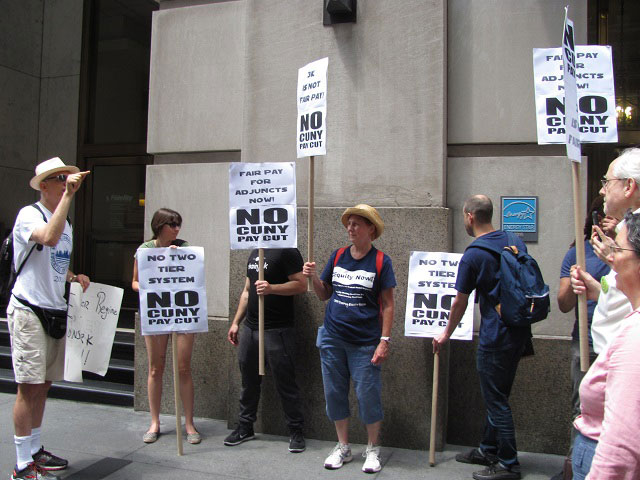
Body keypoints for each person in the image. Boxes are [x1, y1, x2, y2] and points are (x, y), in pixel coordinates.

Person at [433, 195, 531, 480]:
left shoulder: (474, 254)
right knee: (498, 394)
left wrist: (445, 334)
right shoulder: (514, 240)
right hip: (519, 331)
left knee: (496, 400)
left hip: (496, 336)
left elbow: (459, 302)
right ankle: (488, 449)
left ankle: (509, 464)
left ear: (469, 216)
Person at [7, 157, 90, 480]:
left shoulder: (65, 223)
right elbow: (48, 239)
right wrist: (68, 198)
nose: (66, 182)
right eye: (59, 179)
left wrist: (72, 277)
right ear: (44, 185)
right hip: (29, 308)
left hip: (54, 310)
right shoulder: (30, 215)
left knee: (43, 385)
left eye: (68, 178)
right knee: (28, 387)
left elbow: (55, 261)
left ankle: (34, 449)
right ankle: (21, 464)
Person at [303, 204, 396, 474]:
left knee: (368, 396)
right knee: (334, 394)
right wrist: (313, 278)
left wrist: (384, 340)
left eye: (357, 224)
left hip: (365, 342)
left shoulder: (381, 261)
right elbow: (324, 294)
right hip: (332, 337)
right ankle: (343, 446)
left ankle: (372, 448)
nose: (350, 228)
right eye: (349, 223)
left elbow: (388, 304)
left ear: (371, 229)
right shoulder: (338, 255)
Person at [572, 211, 640, 479]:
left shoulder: (635, 337)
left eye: (618, 249)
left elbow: (621, 449)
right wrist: (599, 292)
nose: (610, 259)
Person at [225, 248, 307, 452]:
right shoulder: (255, 252)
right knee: (248, 381)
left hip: (277, 329)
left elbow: (301, 285)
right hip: (251, 328)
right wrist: (236, 322)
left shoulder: (287, 251)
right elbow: (247, 291)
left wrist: (272, 288)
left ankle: (296, 431)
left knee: (285, 382)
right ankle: (245, 426)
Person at [132, 208, 200, 445]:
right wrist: (149, 286)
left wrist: (178, 256)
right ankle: (155, 421)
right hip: (156, 311)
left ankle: (189, 423)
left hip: (180, 311)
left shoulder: (183, 245)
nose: (177, 229)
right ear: (159, 226)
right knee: (155, 368)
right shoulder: (145, 250)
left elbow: (193, 275)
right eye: (172, 224)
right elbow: (135, 282)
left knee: (183, 368)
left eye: (178, 224)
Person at [571, 147, 640, 354]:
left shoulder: (633, 233)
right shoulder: (626, 228)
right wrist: (599, 291)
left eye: (607, 182)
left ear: (629, 186)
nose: (602, 191)